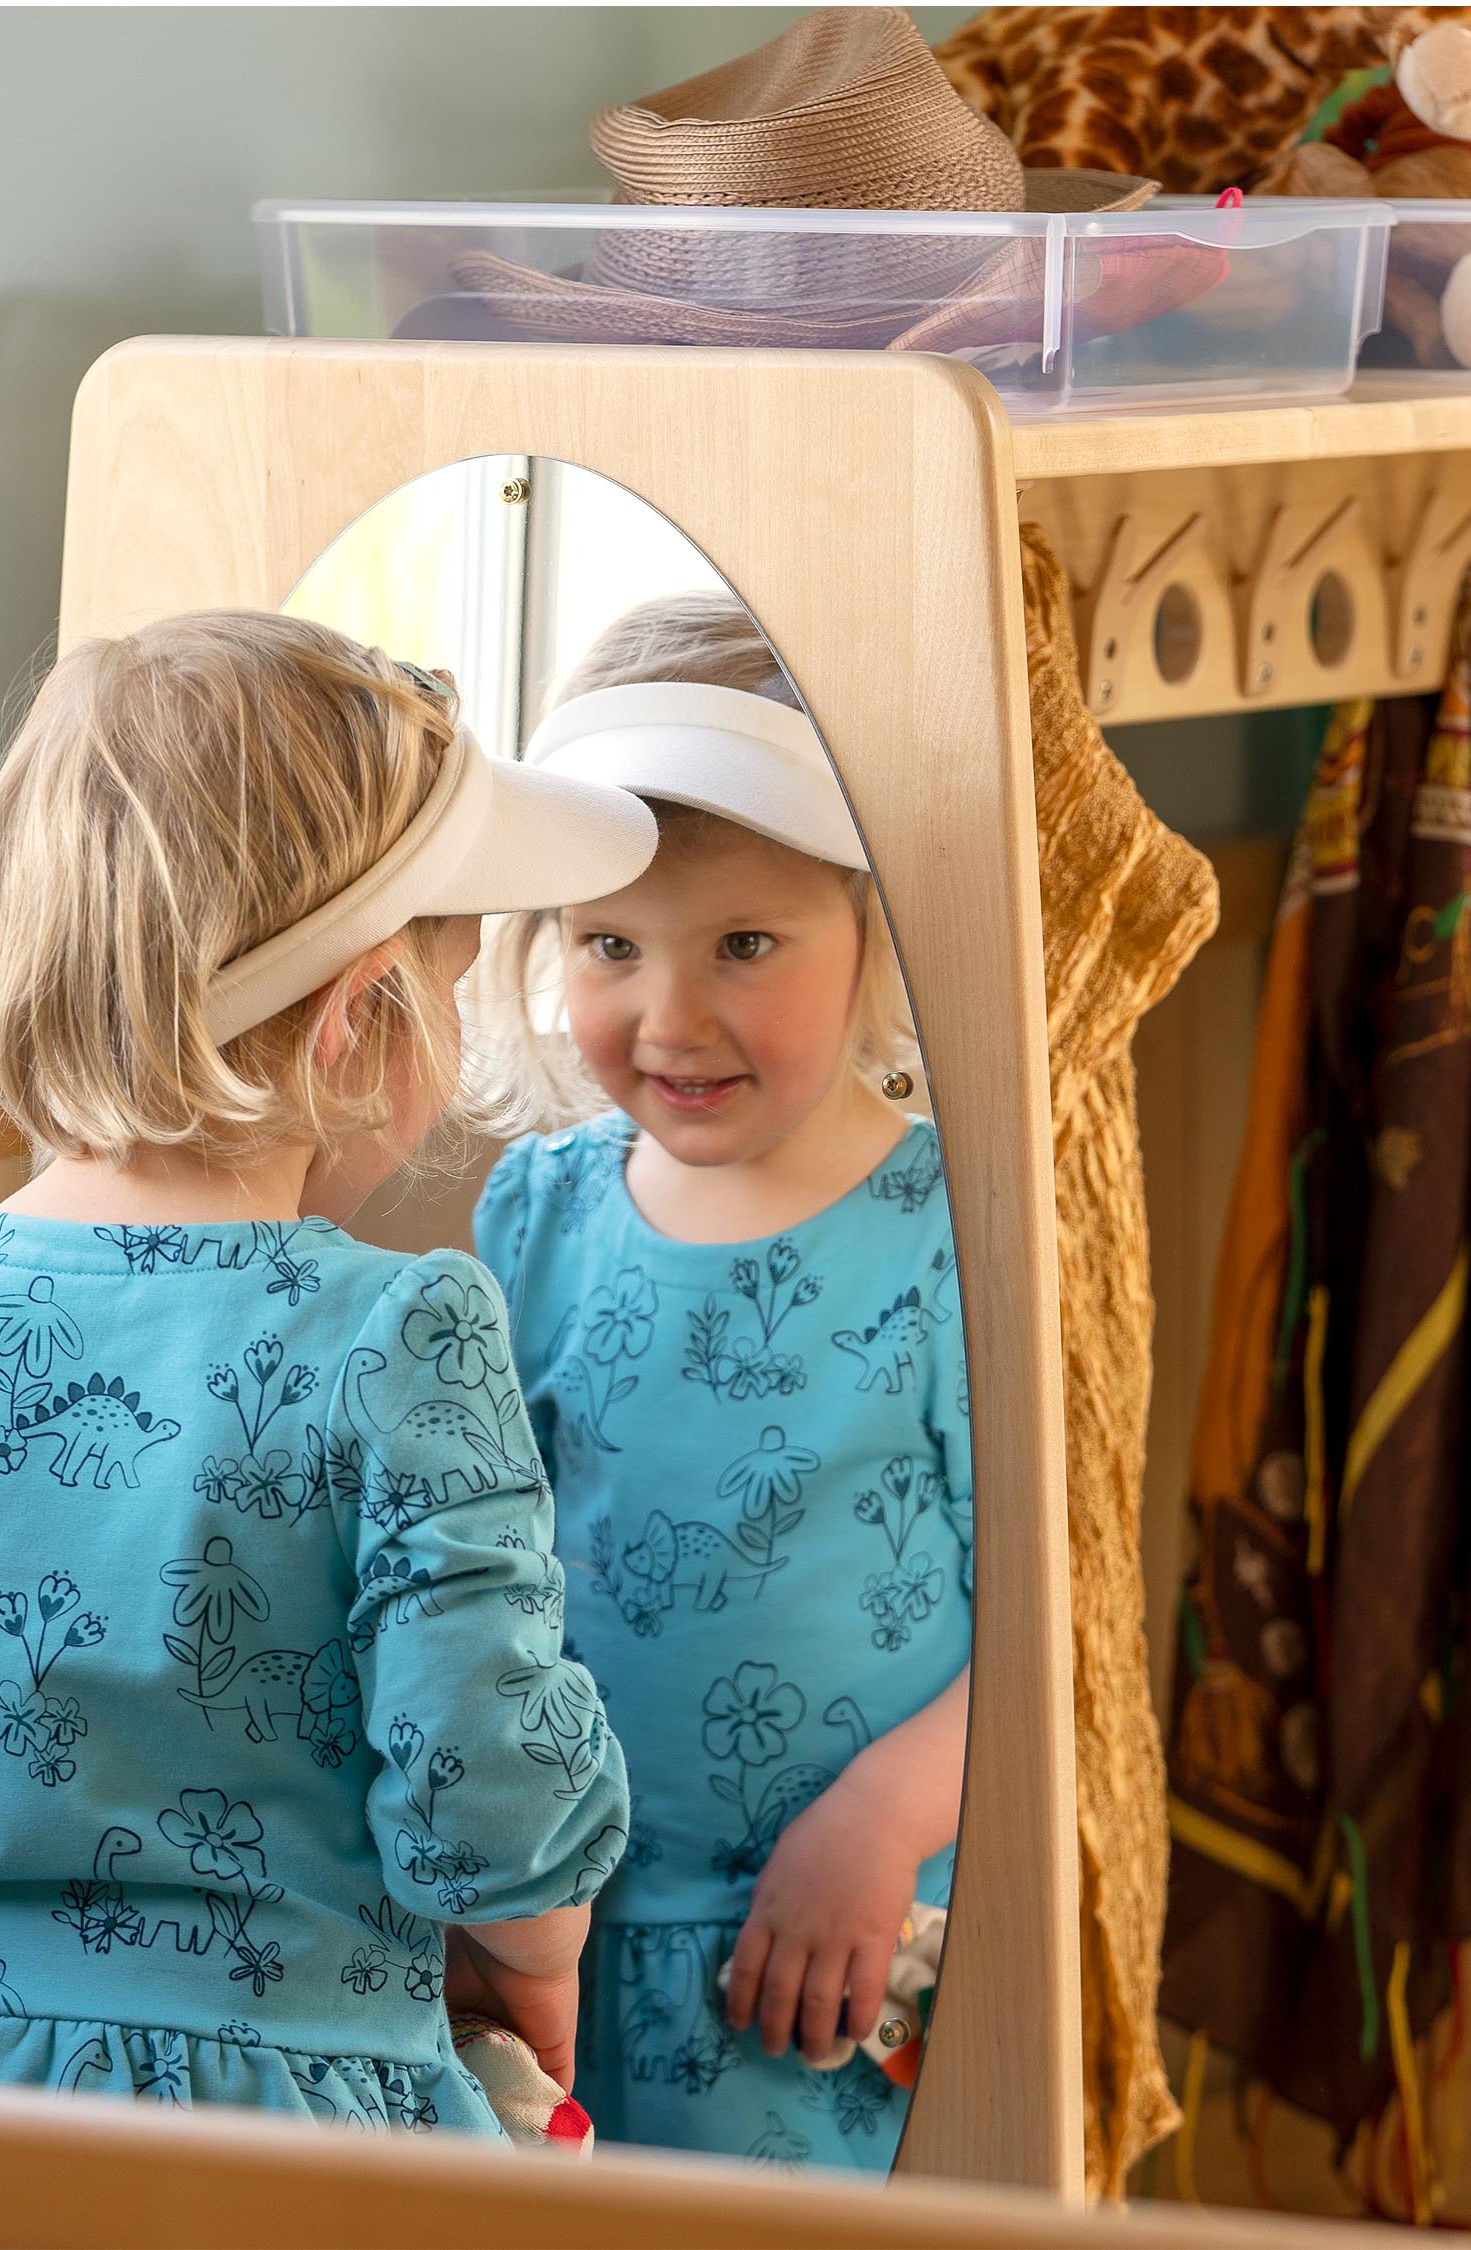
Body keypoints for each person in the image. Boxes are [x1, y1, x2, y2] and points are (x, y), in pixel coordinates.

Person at [0, 612, 653, 2133]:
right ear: (356, 1020)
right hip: (292, 2136)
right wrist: (539, 1956)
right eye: (451, 981)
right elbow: (487, 1787)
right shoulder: (403, 1337)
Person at [472, 592, 969, 2170]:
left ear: (871, 928)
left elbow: (1060, 1627)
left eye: (745, 943)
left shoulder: (953, 1234)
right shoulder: (539, 1214)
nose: (669, 1017)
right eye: (610, 946)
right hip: (557, 1945)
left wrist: (885, 1819)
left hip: (825, 1952)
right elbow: (475, 1576)